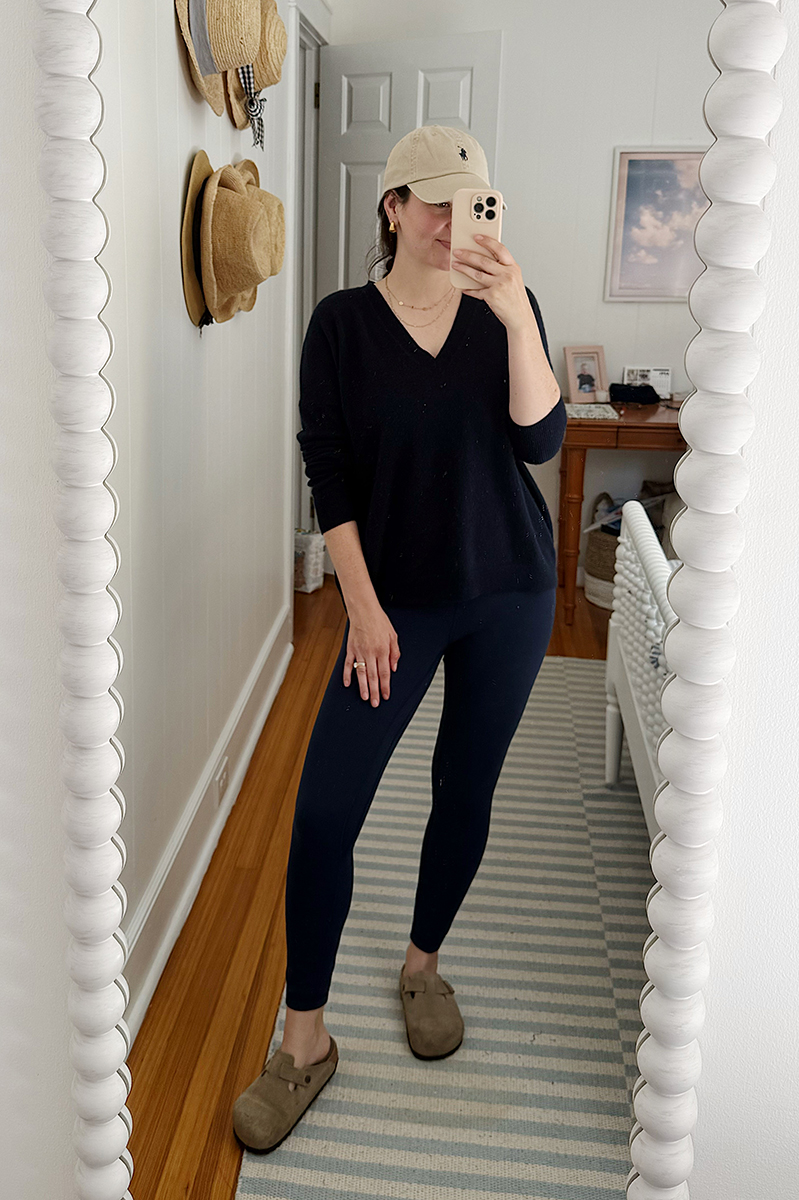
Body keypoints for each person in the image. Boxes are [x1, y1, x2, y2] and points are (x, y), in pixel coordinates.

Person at [232, 124, 566, 1153]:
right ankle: (305, 1039)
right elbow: (327, 469)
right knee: (326, 810)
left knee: (464, 792)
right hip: (396, 605)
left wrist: (514, 318)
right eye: (427, 201)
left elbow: (540, 442)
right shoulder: (339, 325)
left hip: (510, 588)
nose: (446, 220)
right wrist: (361, 607)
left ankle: (422, 964)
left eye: (465, 201)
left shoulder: (506, 306)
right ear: (391, 209)